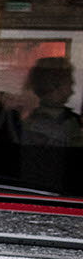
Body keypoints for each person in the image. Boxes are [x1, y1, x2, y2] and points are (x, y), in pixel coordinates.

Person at [21, 56, 83, 191]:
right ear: (54, 85)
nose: (72, 91)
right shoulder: (40, 126)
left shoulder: (69, 120)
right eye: (69, 84)